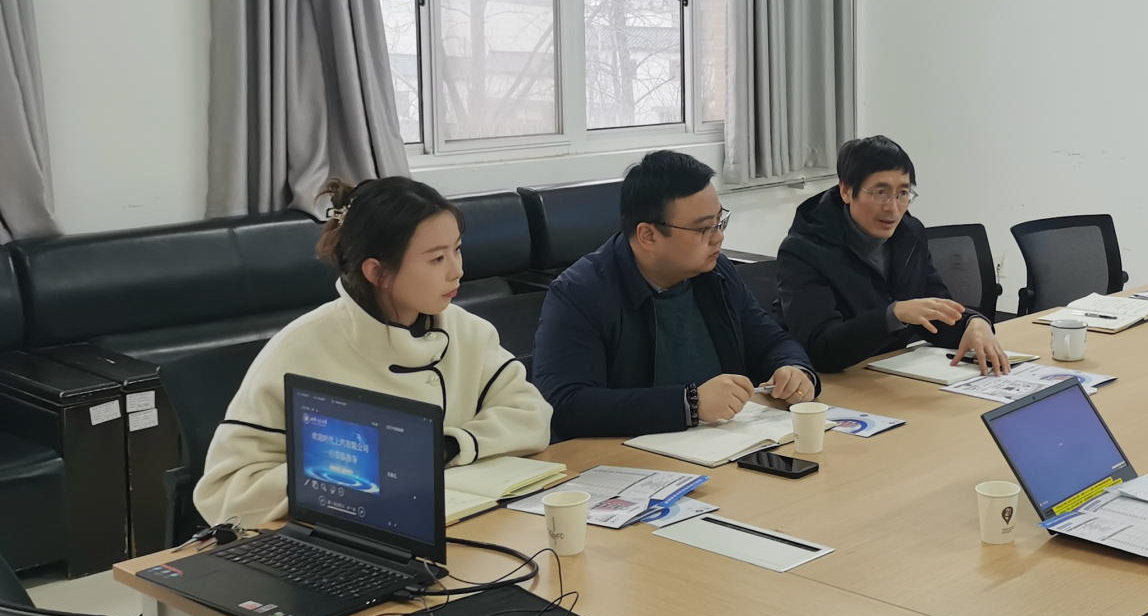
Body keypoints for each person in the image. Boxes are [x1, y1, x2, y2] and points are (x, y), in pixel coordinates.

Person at [193, 177, 552, 529]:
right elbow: (228, 489)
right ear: (378, 272)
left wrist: (446, 447)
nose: (457, 270)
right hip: (343, 539)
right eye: (436, 259)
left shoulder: (468, 331)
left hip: (469, 524)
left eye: (456, 249)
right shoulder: (299, 350)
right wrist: (362, 472)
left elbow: (531, 416)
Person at [531, 150, 819, 441]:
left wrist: (794, 369)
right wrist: (690, 403)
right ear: (648, 236)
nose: (719, 236)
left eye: (720, 221)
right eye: (704, 228)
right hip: (630, 454)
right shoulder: (580, 293)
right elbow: (565, 404)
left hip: (723, 443)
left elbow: (772, 342)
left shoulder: (716, 273)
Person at [776, 135, 1010, 376]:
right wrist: (893, 315)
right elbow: (820, 350)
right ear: (846, 191)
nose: (893, 208)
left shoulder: (911, 234)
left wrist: (974, 322)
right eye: (880, 192)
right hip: (830, 383)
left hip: (888, 373)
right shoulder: (803, 250)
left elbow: (934, 311)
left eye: (903, 193)